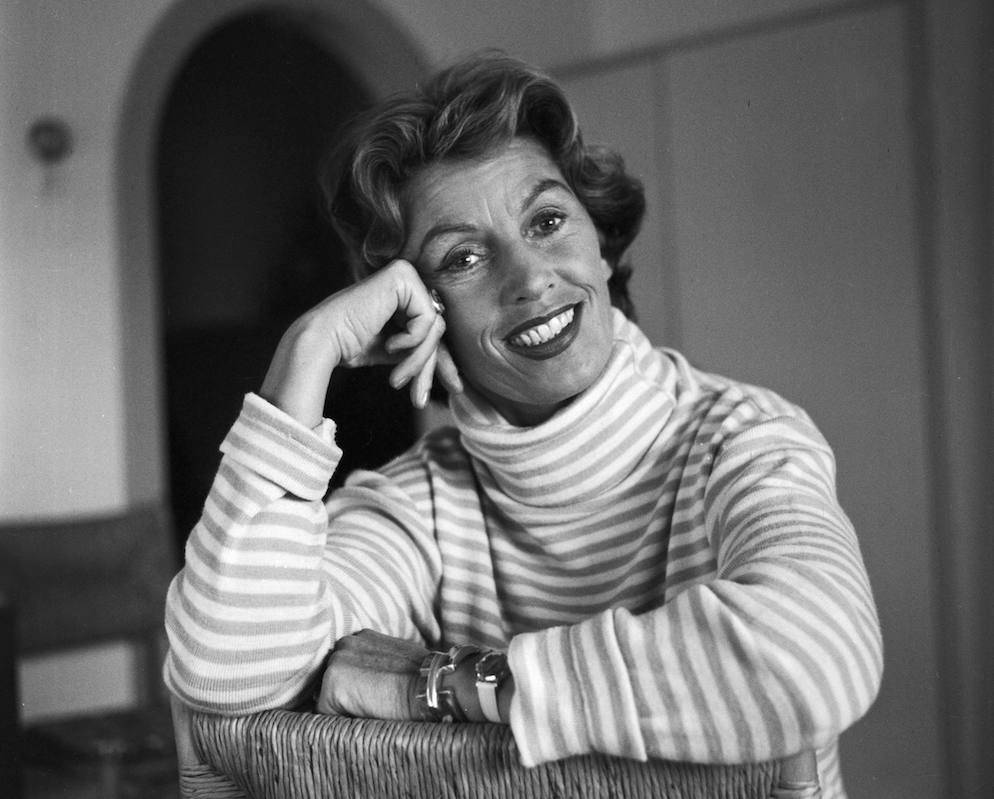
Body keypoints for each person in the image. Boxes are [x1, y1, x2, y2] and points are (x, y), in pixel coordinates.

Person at [163, 51, 882, 797]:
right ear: (419, 317)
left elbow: (813, 657)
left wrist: (441, 683)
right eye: (464, 258)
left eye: (547, 221)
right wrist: (308, 350)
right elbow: (228, 675)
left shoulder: (742, 437)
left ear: (602, 244)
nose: (531, 277)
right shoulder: (415, 505)